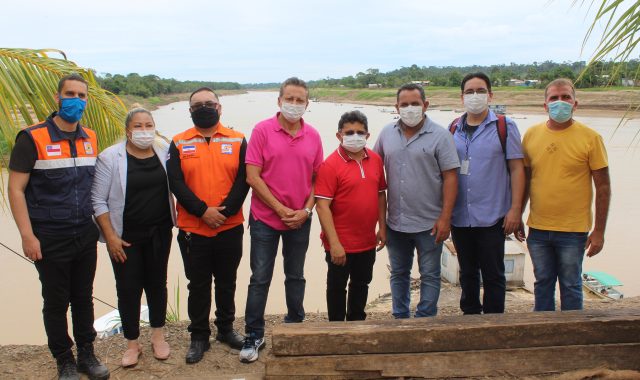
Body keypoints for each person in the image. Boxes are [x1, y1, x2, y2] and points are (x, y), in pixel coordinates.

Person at [8, 73, 109, 380]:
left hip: (84, 233)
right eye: (70, 94)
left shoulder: (90, 137)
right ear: (57, 97)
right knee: (55, 301)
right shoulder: (32, 138)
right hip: (49, 237)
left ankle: (87, 356)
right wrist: (27, 236)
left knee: (83, 297)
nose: (76, 100)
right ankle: (64, 360)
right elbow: (15, 189)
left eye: (82, 95)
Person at [240, 77, 323, 363]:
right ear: (279, 100)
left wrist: (306, 211)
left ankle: (295, 324)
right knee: (260, 278)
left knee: (295, 275)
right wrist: (279, 209)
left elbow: (317, 180)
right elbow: (253, 176)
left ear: (307, 104)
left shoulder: (313, 135)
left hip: (300, 219)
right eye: (290, 98)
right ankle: (253, 334)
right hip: (265, 219)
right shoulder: (262, 131)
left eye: (300, 100)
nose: (294, 104)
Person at [167, 87, 249, 364]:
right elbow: (176, 182)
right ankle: (199, 336)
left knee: (227, 282)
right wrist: (203, 211)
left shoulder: (238, 140)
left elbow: (244, 180)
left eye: (209, 103)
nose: (204, 108)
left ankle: (225, 329)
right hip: (193, 229)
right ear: (190, 111)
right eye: (197, 105)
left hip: (229, 225)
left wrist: (224, 213)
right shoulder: (178, 142)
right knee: (198, 284)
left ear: (219, 108)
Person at [91, 108, 176, 367]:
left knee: (156, 284)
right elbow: (97, 200)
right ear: (128, 131)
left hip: (160, 233)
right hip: (124, 237)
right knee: (128, 289)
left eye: (148, 125)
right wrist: (111, 237)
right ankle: (132, 343)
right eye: (138, 126)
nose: (144, 130)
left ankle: (158, 337)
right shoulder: (110, 158)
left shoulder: (164, 152)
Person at [522, 78, 611, 311]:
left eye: (565, 98)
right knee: (542, 284)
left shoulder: (591, 138)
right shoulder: (531, 135)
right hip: (538, 228)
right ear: (545, 105)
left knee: (571, 285)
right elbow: (525, 180)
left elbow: (603, 187)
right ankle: (543, 334)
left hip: (573, 231)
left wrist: (599, 231)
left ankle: (574, 338)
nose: (559, 102)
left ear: (575, 104)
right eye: (553, 98)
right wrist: (518, 215)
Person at [373, 83, 459, 319]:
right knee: (399, 273)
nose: (409, 108)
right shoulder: (386, 134)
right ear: (396, 107)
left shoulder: (441, 136)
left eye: (415, 103)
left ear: (425, 105)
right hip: (396, 222)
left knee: (430, 275)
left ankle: (425, 319)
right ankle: (400, 317)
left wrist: (445, 218)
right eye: (404, 104)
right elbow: (372, 170)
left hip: (429, 223)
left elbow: (451, 178)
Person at [449, 73, 525, 315]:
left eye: (480, 91)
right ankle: (470, 317)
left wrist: (515, 209)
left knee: (493, 274)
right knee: (468, 272)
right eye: (469, 92)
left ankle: (494, 321)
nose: (475, 96)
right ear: (462, 97)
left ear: (490, 95)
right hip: (460, 215)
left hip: (493, 216)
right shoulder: (452, 129)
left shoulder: (504, 127)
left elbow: (516, 169)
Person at [315, 110, 387, 322]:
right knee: (337, 288)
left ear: (367, 135)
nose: (355, 136)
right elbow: (322, 207)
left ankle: (356, 325)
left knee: (361, 284)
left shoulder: (375, 160)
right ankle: (336, 330)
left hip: (366, 241)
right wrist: (335, 244)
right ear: (339, 135)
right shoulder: (330, 165)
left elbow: (381, 194)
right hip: (340, 244)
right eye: (349, 132)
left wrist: (382, 228)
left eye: (360, 132)